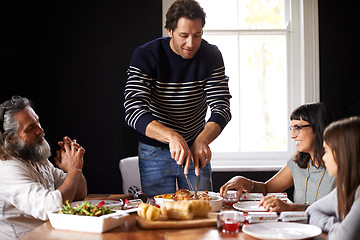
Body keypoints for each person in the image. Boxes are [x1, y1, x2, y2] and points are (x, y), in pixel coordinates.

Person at [124, 0, 231, 195]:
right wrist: (172, 136)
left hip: (196, 148)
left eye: (197, 35)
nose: (191, 43)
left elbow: (221, 108)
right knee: (158, 214)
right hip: (154, 150)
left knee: (202, 212)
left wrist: (202, 139)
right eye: (184, 35)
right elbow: (134, 110)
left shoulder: (211, 55)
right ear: (169, 31)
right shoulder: (146, 56)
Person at [220, 102, 335, 212]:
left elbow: (336, 209)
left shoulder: (339, 166)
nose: (292, 135)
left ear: (318, 127)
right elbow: (266, 189)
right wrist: (245, 182)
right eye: (291, 128)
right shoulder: (297, 163)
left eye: (298, 128)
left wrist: (290, 207)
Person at [0, 96, 87, 240]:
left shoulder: (36, 158)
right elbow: (51, 207)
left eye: (38, 122)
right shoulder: (7, 168)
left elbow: (78, 193)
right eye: (30, 128)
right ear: (11, 139)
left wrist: (76, 167)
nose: (40, 130)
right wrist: (74, 169)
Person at [306, 117, 360, 240]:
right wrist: (336, 226)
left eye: (326, 151)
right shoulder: (344, 188)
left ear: (343, 154)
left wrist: (332, 232)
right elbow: (311, 211)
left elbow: (343, 237)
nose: (324, 158)